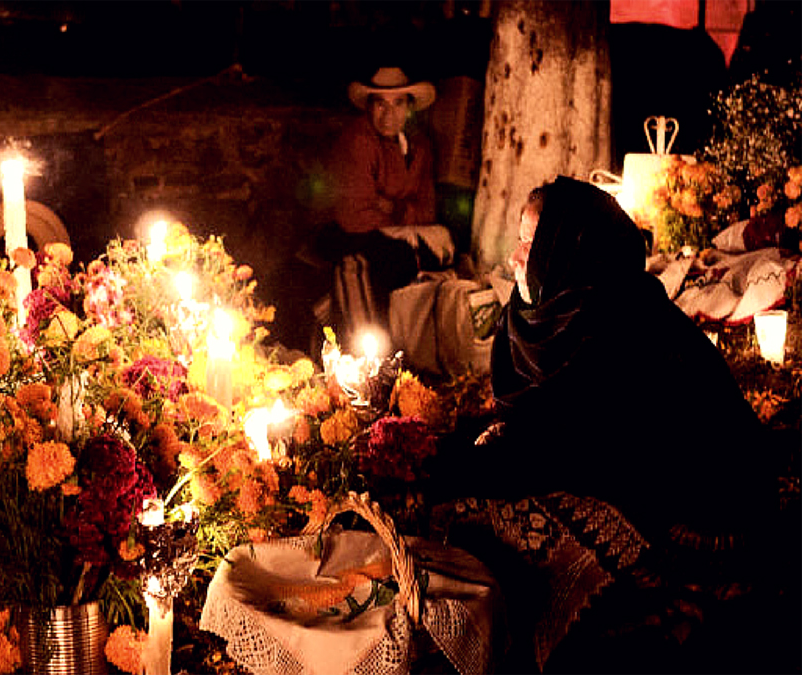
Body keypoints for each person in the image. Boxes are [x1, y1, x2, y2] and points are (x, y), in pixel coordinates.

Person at [426, 176, 789, 672]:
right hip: (601, 469)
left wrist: (451, 463)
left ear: (569, 252)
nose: (514, 258)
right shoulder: (543, 315)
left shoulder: (620, 327)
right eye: (519, 240)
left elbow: (572, 454)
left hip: (695, 506)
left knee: (488, 519)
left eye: (531, 244)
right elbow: (534, 422)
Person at [316, 66, 453, 344]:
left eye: (398, 104)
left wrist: (391, 206)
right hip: (346, 233)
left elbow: (427, 211)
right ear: (369, 107)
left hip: (394, 231)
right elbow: (353, 217)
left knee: (442, 254)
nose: (389, 115)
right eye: (380, 104)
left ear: (409, 108)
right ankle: (369, 351)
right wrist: (404, 216)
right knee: (381, 258)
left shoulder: (420, 146)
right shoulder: (358, 141)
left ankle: (414, 346)